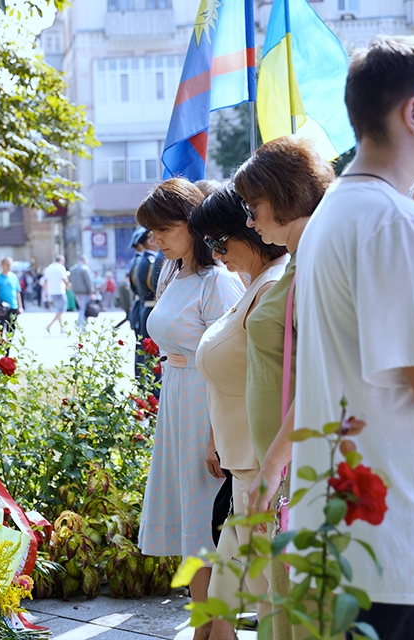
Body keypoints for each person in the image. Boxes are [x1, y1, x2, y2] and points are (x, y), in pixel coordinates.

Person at [292, 36, 414, 639]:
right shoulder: (398, 222)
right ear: (413, 112)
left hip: (352, 544)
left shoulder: (338, 210)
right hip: (399, 549)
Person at [232, 135, 334, 640]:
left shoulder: (314, 254)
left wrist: (275, 463)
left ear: (285, 193)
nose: (249, 221)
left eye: (254, 207)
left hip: (297, 462)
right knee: (280, 595)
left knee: (293, 599)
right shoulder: (299, 255)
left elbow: (320, 369)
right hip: (284, 460)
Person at [135, 179, 244, 640]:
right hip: (179, 398)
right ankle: (207, 626)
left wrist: (218, 434)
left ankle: (217, 629)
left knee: (208, 524)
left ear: (191, 225)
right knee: (191, 526)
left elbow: (236, 356)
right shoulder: (173, 272)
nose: (154, 240)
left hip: (206, 402)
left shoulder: (217, 281)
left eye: (163, 230)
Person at [190, 185, 289, 639]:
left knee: (260, 602)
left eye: (218, 240)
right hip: (244, 469)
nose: (216, 252)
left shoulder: (272, 288)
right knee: (222, 609)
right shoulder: (256, 283)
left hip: (260, 470)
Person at [0, 256, 23, 333]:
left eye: (10, 264)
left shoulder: (14, 277)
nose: (9, 266)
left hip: (13, 306)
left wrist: (20, 306)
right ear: (2, 265)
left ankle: (9, 344)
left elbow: (18, 293)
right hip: (1, 308)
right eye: (7, 264)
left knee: (11, 330)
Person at [42, 255, 69, 334]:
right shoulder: (61, 268)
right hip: (60, 291)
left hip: (52, 291)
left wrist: (46, 292)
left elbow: (45, 281)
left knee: (59, 310)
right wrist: (69, 285)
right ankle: (49, 325)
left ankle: (61, 328)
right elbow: (64, 279)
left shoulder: (49, 268)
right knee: (62, 310)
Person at [68, 256, 96, 329]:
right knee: (83, 309)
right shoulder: (85, 269)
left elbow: (70, 280)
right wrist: (91, 292)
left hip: (76, 292)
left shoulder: (72, 269)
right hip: (85, 292)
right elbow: (88, 282)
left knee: (81, 308)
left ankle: (79, 324)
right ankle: (81, 326)